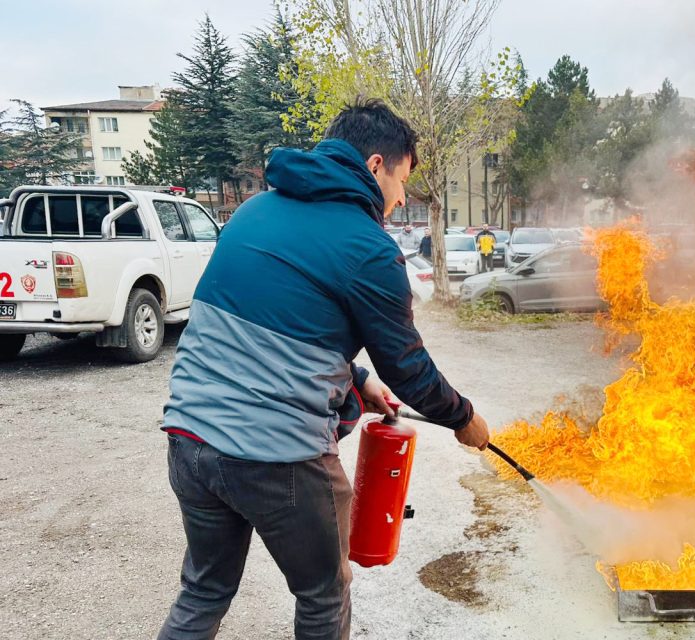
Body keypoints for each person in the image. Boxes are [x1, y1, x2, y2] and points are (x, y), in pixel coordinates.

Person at [157, 97, 490, 640]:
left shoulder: (253, 212)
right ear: (376, 166)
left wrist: (359, 381)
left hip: (189, 439)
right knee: (322, 596)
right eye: (403, 178)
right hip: (277, 458)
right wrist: (463, 418)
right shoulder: (370, 249)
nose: (403, 196)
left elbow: (272, 323)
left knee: (204, 590)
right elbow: (409, 368)